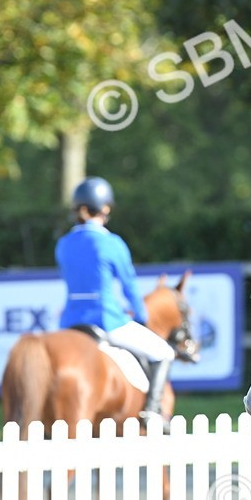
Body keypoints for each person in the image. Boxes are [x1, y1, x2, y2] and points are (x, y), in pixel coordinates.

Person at [55, 176, 175, 428]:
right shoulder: (112, 243)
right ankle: (153, 411)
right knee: (163, 351)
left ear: (78, 209)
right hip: (106, 320)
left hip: (70, 323)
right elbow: (129, 286)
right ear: (104, 210)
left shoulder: (63, 244)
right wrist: (141, 316)